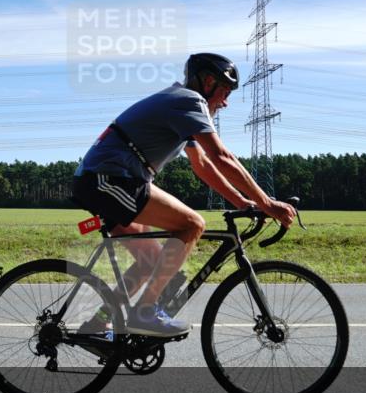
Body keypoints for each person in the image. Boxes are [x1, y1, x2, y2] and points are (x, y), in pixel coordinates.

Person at [70, 52, 297, 337]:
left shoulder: (180, 105)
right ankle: (145, 314)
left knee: (151, 262)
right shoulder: (190, 101)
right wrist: (267, 203)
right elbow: (221, 156)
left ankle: (97, 324)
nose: (225, 102)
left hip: (107, 179)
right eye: (225, 92)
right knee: (192, 225)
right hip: (110, 179)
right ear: (209, 82)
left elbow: (202, 164)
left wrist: (243, 202)